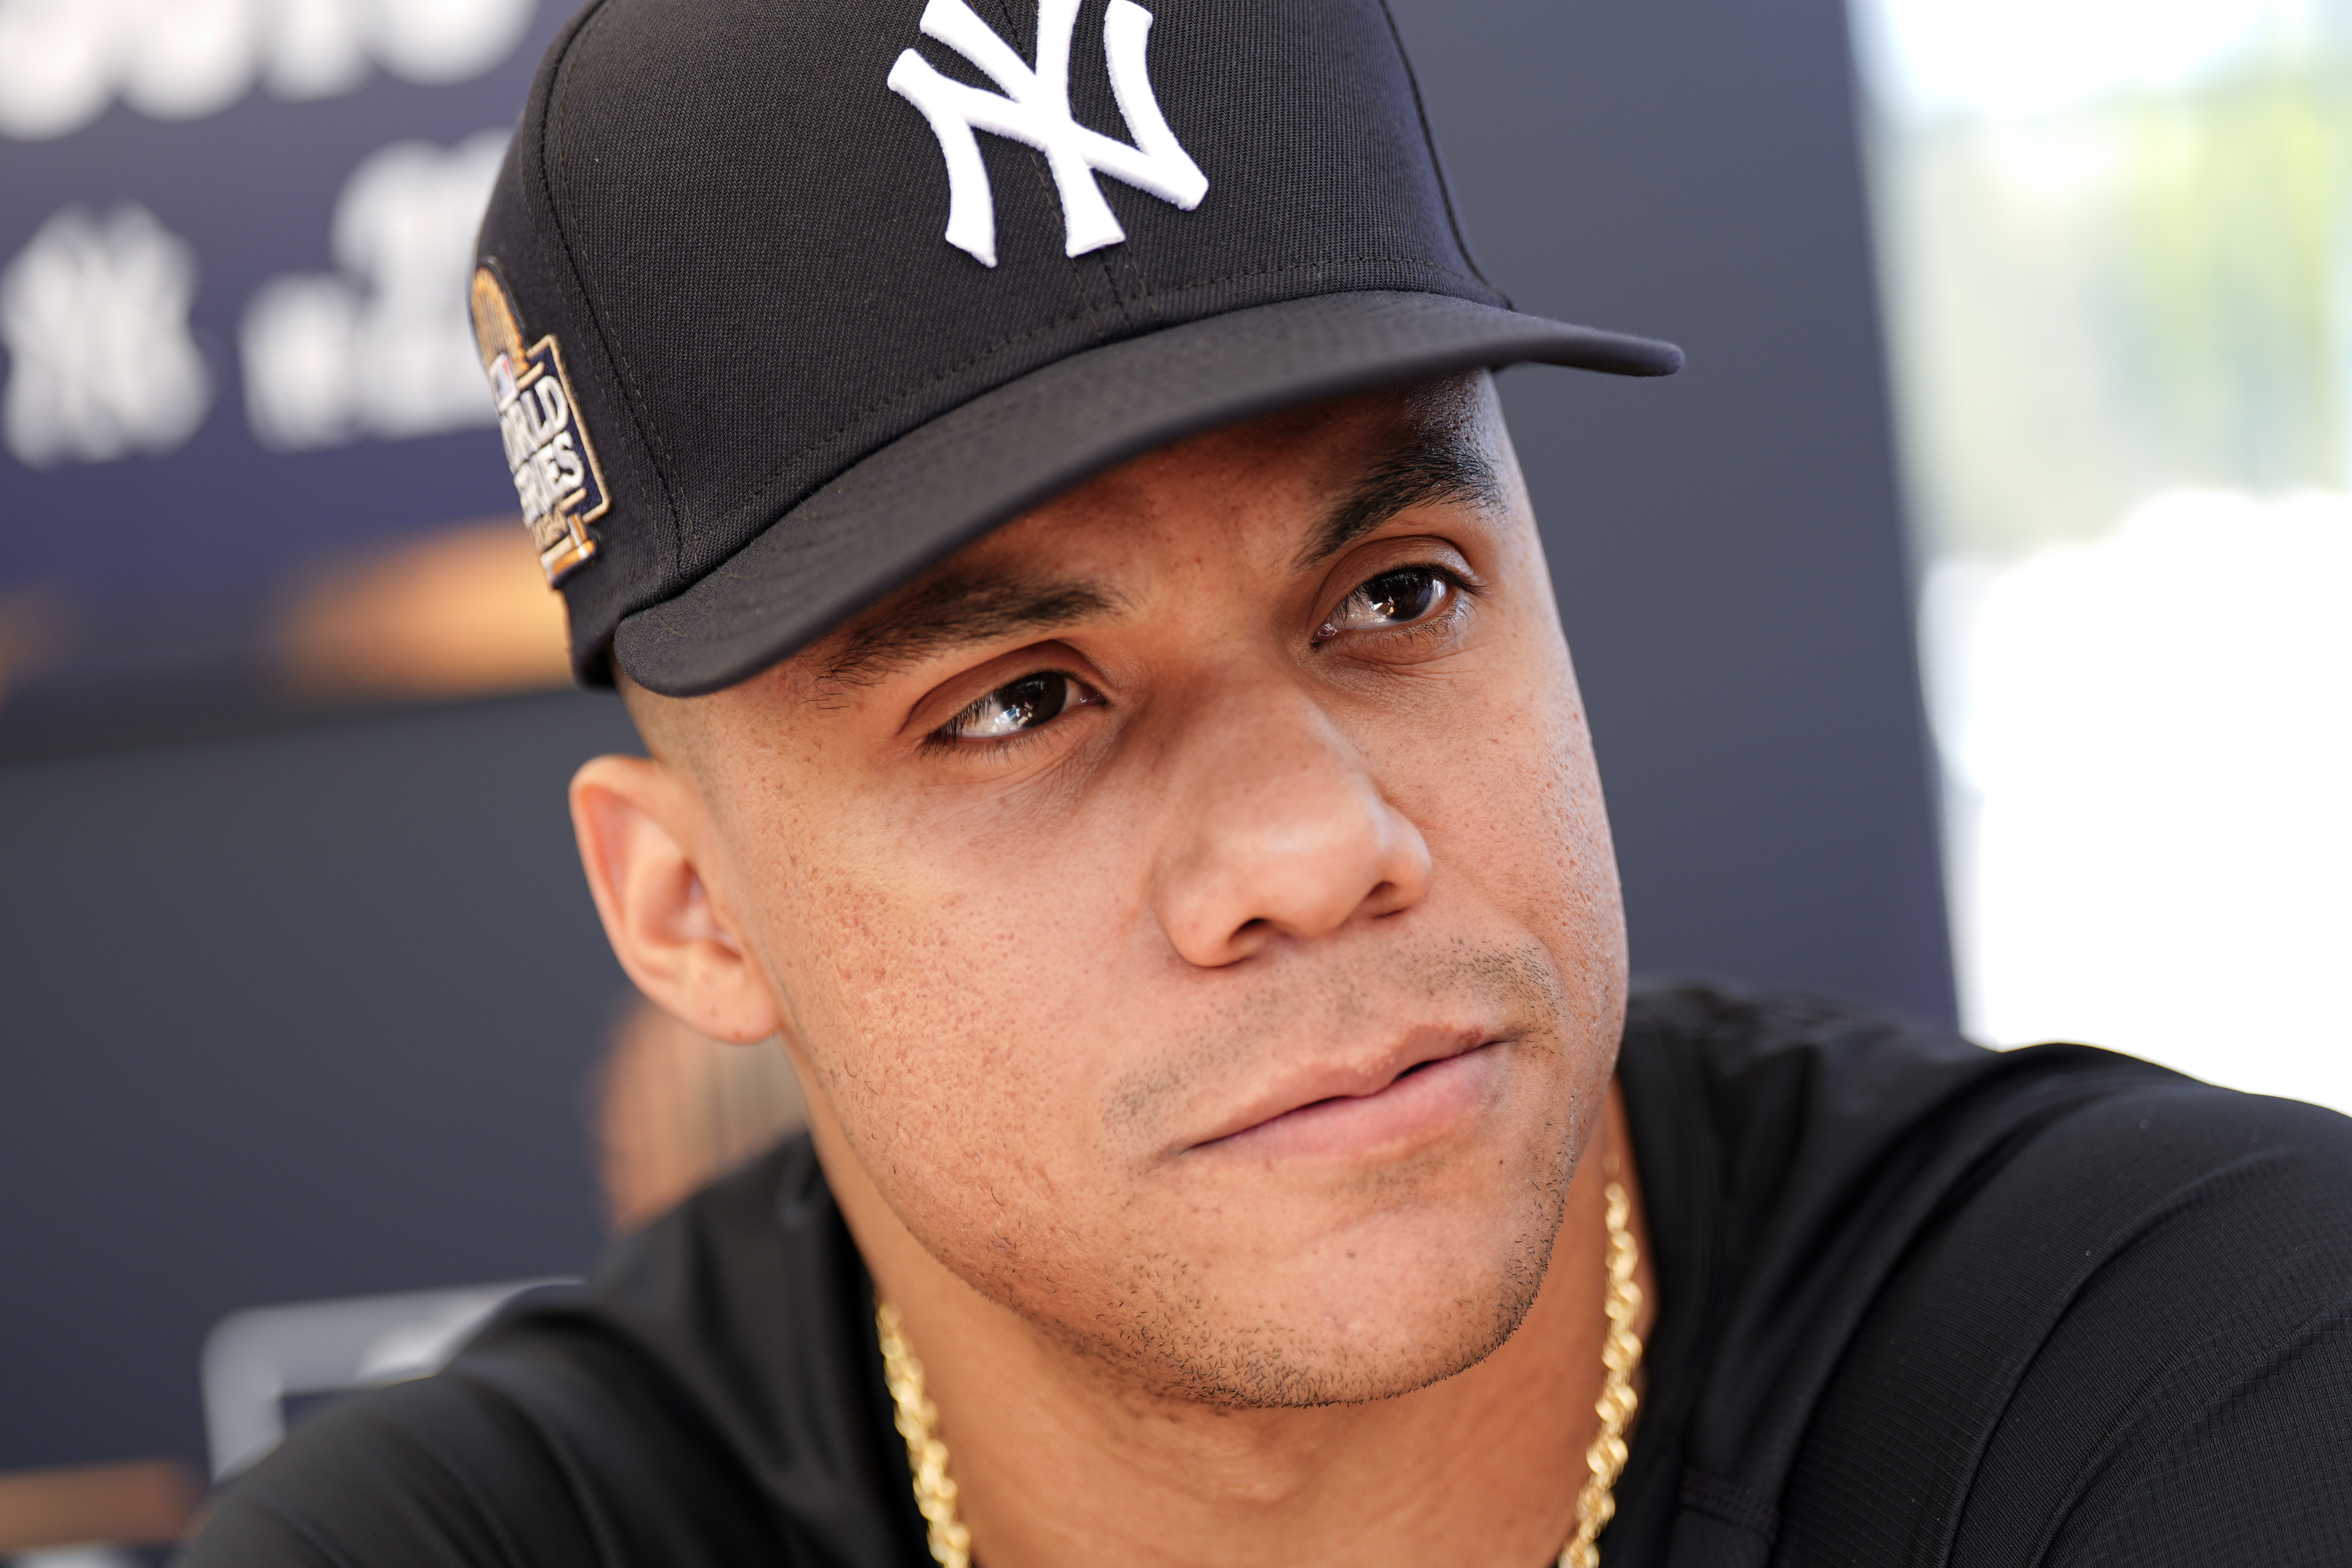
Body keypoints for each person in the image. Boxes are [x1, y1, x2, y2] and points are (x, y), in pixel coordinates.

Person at [181, 0, 2352, 1564]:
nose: (1320, 848)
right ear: (691, 909)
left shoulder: (2209, 1380)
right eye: (1019, 703)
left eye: (1397, 593)